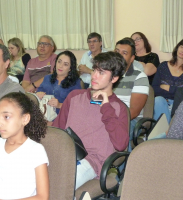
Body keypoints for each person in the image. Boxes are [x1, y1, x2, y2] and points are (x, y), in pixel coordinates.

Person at [53, 52, 129, 189]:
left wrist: (106, 107)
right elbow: (58, 128)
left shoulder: (118, 108)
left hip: (91, 162)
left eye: (101, 73)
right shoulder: (75, 97)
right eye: (94, 70)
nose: (94, 76)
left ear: (114, 78)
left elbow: (121, 145)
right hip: (65, 155)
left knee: (60, 186)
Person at [114, 38, 149, 151]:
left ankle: (125, 166)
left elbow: (133, 111)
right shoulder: (104, 74)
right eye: (117, 51)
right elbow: (93, 99)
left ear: (132, 58)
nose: (118, 56)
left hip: (129, 120)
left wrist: (111, 117)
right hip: (105, 115)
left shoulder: (140, 77)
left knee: (116, 131)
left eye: (124, 53)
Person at [152, 38, 183, 124]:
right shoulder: (163, 66)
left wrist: (168, 87)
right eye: (181, 46)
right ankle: (166, 134)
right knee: (158, 100)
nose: (182, 50)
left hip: (179, 104)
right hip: (162, 101)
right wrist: (178, 90)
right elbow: (154, 88)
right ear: (177, 47)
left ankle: (162, 135)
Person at [36, 51, 82, 115]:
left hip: (63, 117)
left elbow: (76, 106)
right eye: (59, 62)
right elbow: (38, 93)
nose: (60, 66)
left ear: (70, 68)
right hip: (44, 115)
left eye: (65, 64)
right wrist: (38, 94)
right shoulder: (47, 78)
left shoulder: (75, 83)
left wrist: (60, 105)